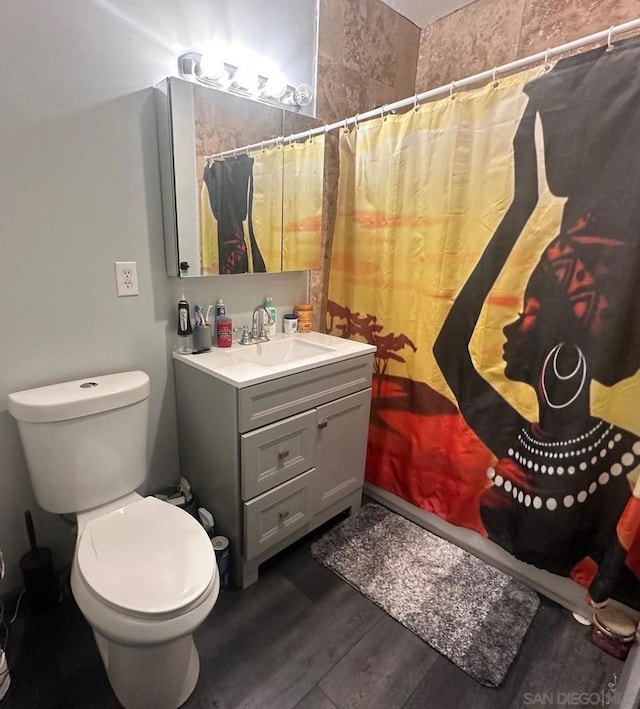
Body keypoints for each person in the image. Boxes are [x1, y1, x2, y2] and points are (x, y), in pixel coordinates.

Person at [433, 38, 640, 608]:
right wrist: (521, 205)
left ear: (566, 353)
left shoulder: (610, 451)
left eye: (528, 315)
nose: (510, 327)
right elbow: (447, 351)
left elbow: (452, 350)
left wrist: (523, 208)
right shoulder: (537, 442)